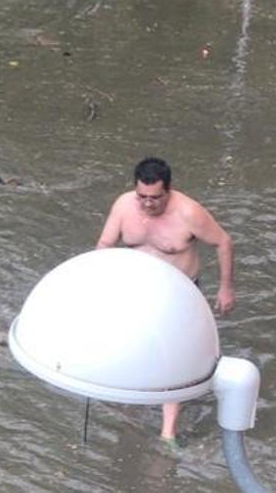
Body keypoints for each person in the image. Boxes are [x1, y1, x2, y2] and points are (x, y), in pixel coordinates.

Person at [96, 156, 235, 443]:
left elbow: (223, 242)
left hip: (180, 294)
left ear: (168, 191)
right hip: (138, 290)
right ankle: (127, 397)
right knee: (131, 343)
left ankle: (167, 431)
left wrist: (225, 287)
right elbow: (106, 244)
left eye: (155, 198)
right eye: (142, 197)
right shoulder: (124, 205)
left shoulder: (189, 212)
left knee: (174, 356)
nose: (148, 204)